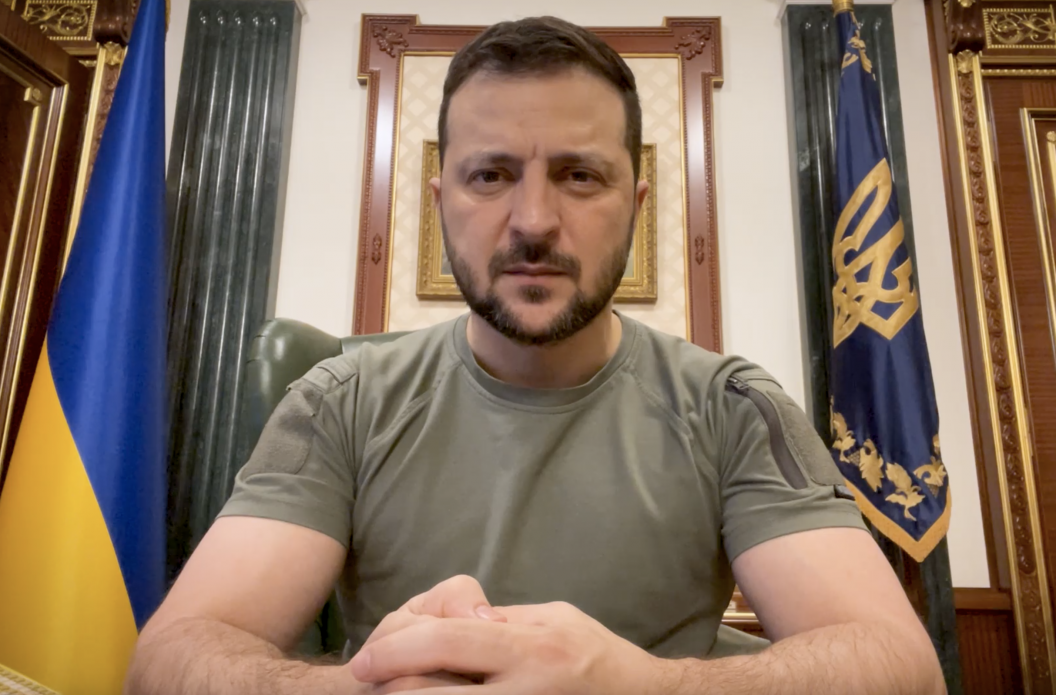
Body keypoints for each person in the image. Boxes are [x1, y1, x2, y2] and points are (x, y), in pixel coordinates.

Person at [126, 16, 945, 695]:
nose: (533, 221)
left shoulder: (735, 408)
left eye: (580, 176)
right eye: (490, 175)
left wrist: (641, 684)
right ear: (440, 200)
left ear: (636, 204)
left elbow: (902, 665)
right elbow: (167, 658)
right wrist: (365, 684)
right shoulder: (337, 400)